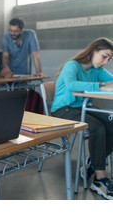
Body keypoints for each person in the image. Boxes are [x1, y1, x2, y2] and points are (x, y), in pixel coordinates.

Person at [51, 37, 113, 200]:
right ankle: (100, 180)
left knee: (111, 122)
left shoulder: (96, 70)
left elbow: (112, 80)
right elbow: (72, 85)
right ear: (94, 50)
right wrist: (100, 86)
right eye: (104, 56)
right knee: (98, 128)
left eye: (109, 58)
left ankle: (92, 162)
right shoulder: (72, 65)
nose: (105, 61)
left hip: (82, 106)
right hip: (63, 110)